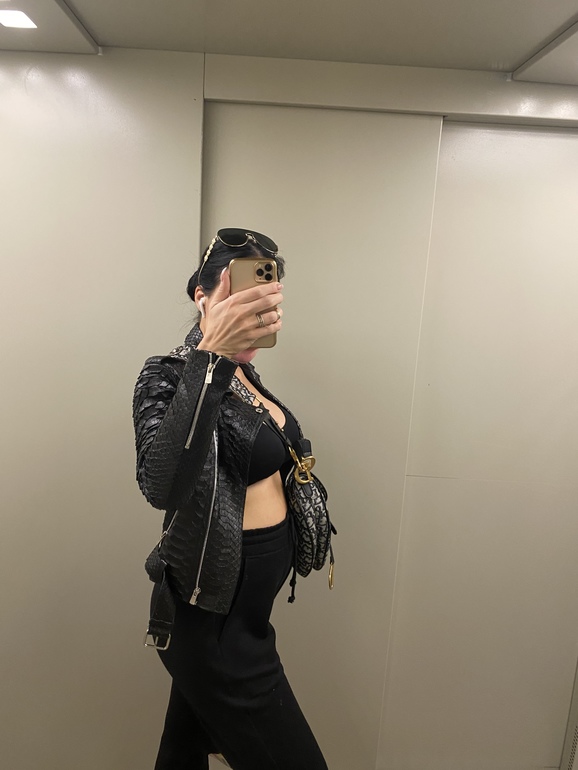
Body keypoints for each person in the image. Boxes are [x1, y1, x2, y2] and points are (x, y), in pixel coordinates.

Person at [132, 228, 329, 770]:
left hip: (246, 616)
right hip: (212, 625)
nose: (255, 315)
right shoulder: (169, 376)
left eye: (264, 303)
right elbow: (162, 485)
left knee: (181, 755)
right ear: (203, 297)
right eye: (240, 299)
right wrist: (212, 356)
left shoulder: (246, 376)